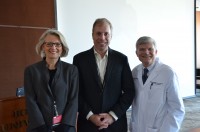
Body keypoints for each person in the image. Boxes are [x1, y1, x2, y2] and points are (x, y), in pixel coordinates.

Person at [73, 18, 135, 132]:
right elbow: (76, 92)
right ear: (92, 35)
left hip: (115, 125)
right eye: (98, 33)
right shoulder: (79, 59)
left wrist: (112, 116)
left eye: (106, 34)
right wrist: (91, 116)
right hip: (88, 124)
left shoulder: (121, 59)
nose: (102, 38)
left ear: (111, 36)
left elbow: (129, 91)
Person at [24, 29, 79, 132]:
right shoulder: (31, 71)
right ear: (42, 46)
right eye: (49, 44)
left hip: (65, 128)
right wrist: (42, 127)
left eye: (57, 44)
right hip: (39, 127)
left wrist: (65, 126)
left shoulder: (71, 70)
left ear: (62, 47)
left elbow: (73, 100)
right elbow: (30, 101)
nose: (53, 47)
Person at [129, 36, 185, 132]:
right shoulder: (134, 72)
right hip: (137, 127)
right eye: (142, 49)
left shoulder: (167, 73)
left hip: (159, 128)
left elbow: (177, 108)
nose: (146, 52)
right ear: (136, 53)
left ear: (156, 52)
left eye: (150, 49)